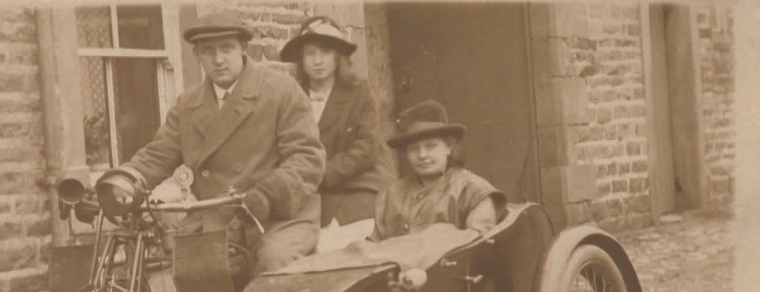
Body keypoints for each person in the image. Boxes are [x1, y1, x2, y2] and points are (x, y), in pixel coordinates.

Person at [99, 12, 325, 276]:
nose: (218, 60)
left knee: (274, 262)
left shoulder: (280, 90)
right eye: (208, 51)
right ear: (197, 55)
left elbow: (307, 157)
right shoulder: (188, 104)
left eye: (226, 48)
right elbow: (158, 154)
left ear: (243, 48)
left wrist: (268, 194)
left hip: (280, 217)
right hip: (216, 219)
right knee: (178, 278)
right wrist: (122, 182)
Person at [280, 16, 393, 229]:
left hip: (359, 184)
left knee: (347, 236)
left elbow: (366, 148)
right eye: (310, 53)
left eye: (325, 52)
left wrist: (321, 174)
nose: (318, 60)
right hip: (310, 191)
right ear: (301, 60)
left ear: (338, 57)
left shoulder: (358, 92)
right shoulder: (292, 97)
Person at [368, 100, 506, 242]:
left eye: (431, 146)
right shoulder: (391, 195)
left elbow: (476, 244)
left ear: (448, 147)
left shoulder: (473, 191)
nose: (422, 155)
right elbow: (375, 246)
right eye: (414, 149)